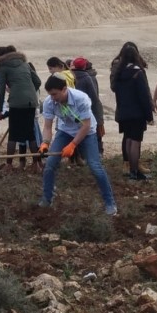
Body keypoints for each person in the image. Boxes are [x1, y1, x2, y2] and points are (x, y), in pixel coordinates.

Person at [38, 74, 117, 215]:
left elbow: (86, 125)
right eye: (50, 95)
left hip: (87, 132)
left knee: (95, 166)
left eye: (55, 94)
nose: (53, 98)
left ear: (64, 89)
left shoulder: (81, 99)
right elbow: (48, 127)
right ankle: (46, 199)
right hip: (65, 131)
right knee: (50, 164)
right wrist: (45, 143)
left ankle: (110, 203)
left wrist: (73, 145)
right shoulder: (49, 102)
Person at [0, 45, 42, 172]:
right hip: (31, 102)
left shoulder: (3, 67)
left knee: (14, 135)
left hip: (16, 102)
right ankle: (36, 164)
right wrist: (29, 90)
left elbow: (0, 91)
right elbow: (37, 81)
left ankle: (9, 165)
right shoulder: (25, 64)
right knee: (30, 134)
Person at [113, 45, 154, 181]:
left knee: (128, 140)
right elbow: (143, 97)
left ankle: (131, 170)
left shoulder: (118, 74)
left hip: (123, 112)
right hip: (137, 113)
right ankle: (135, 172)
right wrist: (149, 116)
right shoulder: (138, 73)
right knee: (135, 142)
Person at [72, 57, 105, 154]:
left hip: (75, 110)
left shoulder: (72, 76)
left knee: (79, 131)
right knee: (95, 131)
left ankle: (80, 154)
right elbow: (94, 97)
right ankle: (97, 152)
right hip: (90, 109)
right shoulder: (88, 77)